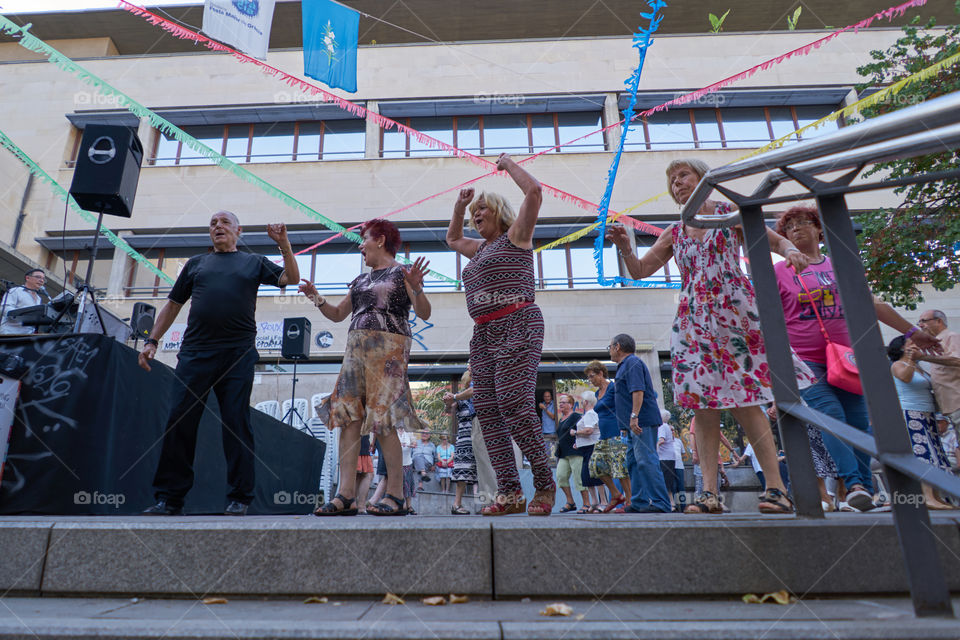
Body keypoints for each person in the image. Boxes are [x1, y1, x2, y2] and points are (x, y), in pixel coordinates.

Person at [607, 158, 815, 515]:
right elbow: (640, 271)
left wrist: (792, 251)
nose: (677, 184)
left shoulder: (727, 214)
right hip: (693, 321)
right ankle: (708, 494)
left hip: (734, 315)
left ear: (704, 179)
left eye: (683, 176)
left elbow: (774, 241)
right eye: (671, 181)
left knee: (745, 400)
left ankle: (776, 489)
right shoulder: (676, 230)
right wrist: (626, 247)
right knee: (703, 405)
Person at [773, 206, 942, 512]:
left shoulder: (840, 267)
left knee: (858, 423)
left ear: (819, 229)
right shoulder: (778, 272)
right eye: (790, 227)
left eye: (803, 223)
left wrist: (912, 332)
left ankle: (861, 492)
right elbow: (766, 318)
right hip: (805, 360)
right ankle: (855, 484)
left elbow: (874, 303)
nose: (796, 229)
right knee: (830, 416)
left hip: (848, 358)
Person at [139, 212, 299, 516]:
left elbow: (290, 278)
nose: (217, 227)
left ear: (238, 230)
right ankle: (169, 500)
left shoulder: (253, 262)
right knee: (179, 421)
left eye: (224, 222)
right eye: (213, 223)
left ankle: (240, 496)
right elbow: (173, 305)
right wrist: (151, 341)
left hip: (237, 354)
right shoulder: (196, 264)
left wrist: (284, 244)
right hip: (195, 353)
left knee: (236, 423)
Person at [445, 153, 555, 516]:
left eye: (483, 210)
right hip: (484, 334)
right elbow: (451, 239)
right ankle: (509, 493)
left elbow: (535, 191)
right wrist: (460, 207)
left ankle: (544, 483)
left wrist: (507, 165)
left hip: (518, 322)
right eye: (475, 213)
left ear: (499, 211)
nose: (478, 216)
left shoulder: (516, 236)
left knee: (515, 406)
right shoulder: (478, 250)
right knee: (488, 413)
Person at [299, 218, 431, 516]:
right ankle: (346, 496)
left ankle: (395, 495)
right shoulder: (360, 280)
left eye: (365, 238)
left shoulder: (401, 273)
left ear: (380, 240)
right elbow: (336, 315)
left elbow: (424, 312)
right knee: (348, 419)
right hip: (356, 351)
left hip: (388, 352)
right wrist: (316, 297)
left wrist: (417, 288)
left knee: (382, 420)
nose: (361, 245)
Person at [888, 335, 956, 509]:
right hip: (911, 413)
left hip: (928, 414)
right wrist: (910, 359)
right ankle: (926, 497)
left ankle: (937, 496)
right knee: (923, 453)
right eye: (911, 343)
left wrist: (940, 417)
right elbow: (905, 378)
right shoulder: (898, 365)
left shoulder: (919, 367)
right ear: (902, 348)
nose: (915, 345)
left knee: (936, 454)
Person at [607, 333, 672, 513]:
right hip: (631, 425)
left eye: (610, 347)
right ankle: (639, 502)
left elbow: (638, 391)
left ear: (617, 346)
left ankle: (661, 503)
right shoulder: (624, 366)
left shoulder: (632, 363)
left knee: (646, 461)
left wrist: (634, 416)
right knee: (634, 463)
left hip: (641, 422)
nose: (610, 351)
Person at [584, 359, 631, 512]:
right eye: (589, 378)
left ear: (601, 373)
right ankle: (617, 494)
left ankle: (629, 501)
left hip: (616, 432)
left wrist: (625, 426)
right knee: (596, 466)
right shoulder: (598, 393)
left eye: (592, 376)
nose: (590, 380)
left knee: (620, 467)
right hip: (603, 435)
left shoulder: (613, 387)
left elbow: (624, 406)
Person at [444, 368, 478, 515]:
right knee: (463, 473)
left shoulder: (474, 394)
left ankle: (485, 504)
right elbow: (448, 409)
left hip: (478, 436)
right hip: (465, 439)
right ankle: (456, 504)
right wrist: (447, 400)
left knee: (482, 473)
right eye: (470, 379)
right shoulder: (460, 399)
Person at [919, 310, 960, 431]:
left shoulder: (951, 337)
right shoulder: (936, 341)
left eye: (924, 321)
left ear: (939, 321)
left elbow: (957, 360)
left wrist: (923, 357)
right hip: (952, 406)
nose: (921, 325)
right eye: (919, 322)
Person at [555, 393, 587, 513]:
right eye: (560, 402)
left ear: (571, 405)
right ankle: (570, 502)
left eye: (563, 402)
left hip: (575, 451)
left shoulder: (576, 417)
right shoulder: (561, 419)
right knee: (560, 476)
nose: (561, 404)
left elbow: (585, 431)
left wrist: (579, 441)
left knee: (579, 479)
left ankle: (586, 504)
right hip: (563, 453)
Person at [575, 390, 603, 512]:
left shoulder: (590, 414)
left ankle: (603, 501)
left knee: (595, 474)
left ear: (585, 402)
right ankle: (595, 501)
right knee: (586, 475)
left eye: (582, 401)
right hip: (585, 448)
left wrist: (575, 432)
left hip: (592, 447)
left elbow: (589, 431)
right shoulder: (588, 414)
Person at [0, 268, 47, 335]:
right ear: (27, 278)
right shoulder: (15, 291)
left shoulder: (39, 298)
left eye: (43, 279)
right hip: (10, 333)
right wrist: (23, 315)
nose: (41, 280)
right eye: (38, 277)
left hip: (27, 336)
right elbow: (4, 309)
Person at [656, 409, 679, 509]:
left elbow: (661, 440)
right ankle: (671, 503)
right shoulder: (667, 427)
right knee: (668, 482)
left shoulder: (662, 426)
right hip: (670, 457)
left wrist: (653, 447)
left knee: (664, 482)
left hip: (664, 457)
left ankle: (669, 503)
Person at [355, 435, 375, 514]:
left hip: (351, 440)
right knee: (366, 475)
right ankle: (361, 506)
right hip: (362, 438)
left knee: (357, 475)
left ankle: (351, 504)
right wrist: (373, 441)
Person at [671, 427, 687, 512]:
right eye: (670, 430)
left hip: (679, 466)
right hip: (670, 467)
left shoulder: (678, 441)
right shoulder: (666, 442)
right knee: (672, 487)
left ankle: (684, 507)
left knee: (681, 488)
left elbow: (683, 453)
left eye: (673, 430)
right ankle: (674, 506)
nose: (672, 432)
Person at [539, 390, 558, 457]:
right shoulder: (543, 404)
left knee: (553, 452)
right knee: (547, 452)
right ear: (543, 397)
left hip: (552, 431)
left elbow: (553, 417)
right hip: (544, 431)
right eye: (545, 396)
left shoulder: (554, 404)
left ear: (551, 397)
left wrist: (544, 408)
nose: (547, 398)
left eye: (548, 396)